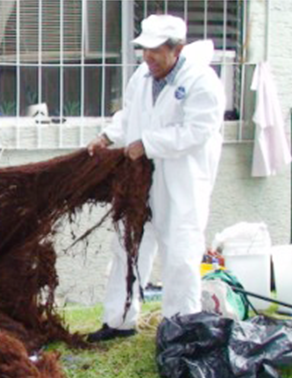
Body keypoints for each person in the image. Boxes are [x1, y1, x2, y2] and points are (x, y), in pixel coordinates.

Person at [86, 15, 226, 342]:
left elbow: (198, 131)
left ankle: (179, 329)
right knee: (128, 244)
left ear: (176, 49)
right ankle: (119, 321)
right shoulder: (143, 76)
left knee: (179, 252)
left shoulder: (202, 82)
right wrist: (107, 136)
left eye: (156, 51)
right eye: (145, 50)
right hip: (139, 180)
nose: (148, 58)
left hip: (180, 183)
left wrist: (148, 144)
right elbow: (130, 113)